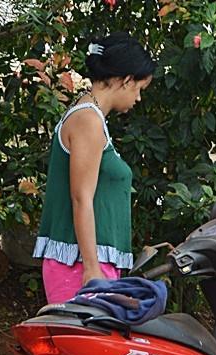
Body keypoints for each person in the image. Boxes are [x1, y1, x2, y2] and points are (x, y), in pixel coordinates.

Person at [35, 33, 155, 304]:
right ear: (126, 80)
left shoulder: (91, 116)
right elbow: (81, 198)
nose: (138, 98)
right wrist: (91, 269)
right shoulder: (88, 120)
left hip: (91, 264)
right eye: (139, 89)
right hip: (80, 268)